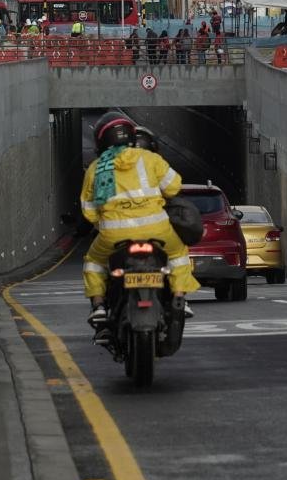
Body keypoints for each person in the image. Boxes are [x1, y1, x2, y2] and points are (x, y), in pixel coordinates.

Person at [82, 112, 199, 327]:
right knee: (178, 254)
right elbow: (173, 187)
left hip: (113, 235)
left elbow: (89, 210)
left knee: (94, 263)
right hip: (157, 230)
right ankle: (180, 297)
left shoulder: (96, 168)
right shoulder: (150, 159)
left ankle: (98, 305)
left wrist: (103, 224)